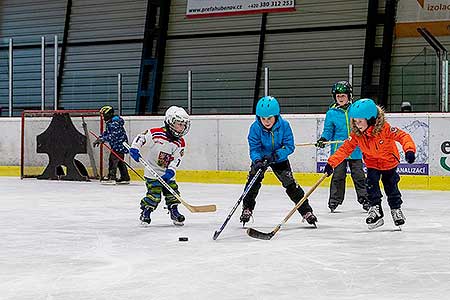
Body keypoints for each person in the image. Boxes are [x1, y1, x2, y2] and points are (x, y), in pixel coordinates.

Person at [323, 98, 416, 229]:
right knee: (371, 185)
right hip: (372, 163)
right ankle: (375, 209)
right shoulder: (357, 134)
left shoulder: (385, 129)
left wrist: (409, 150)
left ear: (371, 119)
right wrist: (331, 163)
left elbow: (403, 136)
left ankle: (396, 209)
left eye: (360, 121)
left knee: (391, 186)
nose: (357, 124)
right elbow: (345, 149)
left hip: (389, 163)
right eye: (355, 121)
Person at [240, 96, 318, 227]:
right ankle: (247, 208)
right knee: (252, 183)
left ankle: (306, 211)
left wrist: (276, 155)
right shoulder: (255, 128)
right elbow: (254, 148)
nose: (266, 121)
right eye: (262, 118)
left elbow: (289, 146)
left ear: (276, 115)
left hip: (279, 159)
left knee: (291, 185)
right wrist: (257, 160)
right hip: (261, 159)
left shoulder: (284, 126)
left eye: (269, 118)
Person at [129, 106, 190, 226]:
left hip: (167, 173)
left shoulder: (180, 142)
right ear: (170, 122)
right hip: (152, 172)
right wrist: (134, 148)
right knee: (154, 195)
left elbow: (176, 159)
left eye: (184, 125)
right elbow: (141, 138)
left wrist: (171, 171)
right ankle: (146, 212)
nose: (182, 128)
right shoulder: (156, 133)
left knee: (173, 193)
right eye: (179, 124)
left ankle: (174, 212)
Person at [316, 81, 369, 212]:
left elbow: (363, 125)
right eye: (338, 96)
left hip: (355, 149)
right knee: (338, 176)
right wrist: (323, 139)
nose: (340, 98)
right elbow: (328, 130)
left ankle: (365, 199)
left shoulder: (356, 109)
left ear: (349, 96)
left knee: (359, 176)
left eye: (343, 96)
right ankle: (334, 201)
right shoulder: (331, 113)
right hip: (339, 150)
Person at [93, 105, 130, 185]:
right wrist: (100, 138)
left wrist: (103, 139)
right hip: (117, 145)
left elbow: (114, 135)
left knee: (113, 160)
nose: (102, 117)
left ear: (108, 114)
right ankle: (125, 177)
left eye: (103, 115)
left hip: (119, 145)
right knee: (120, 161)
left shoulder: (114, 123)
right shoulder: (110, 122)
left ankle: (111, 177)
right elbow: (107, 133)